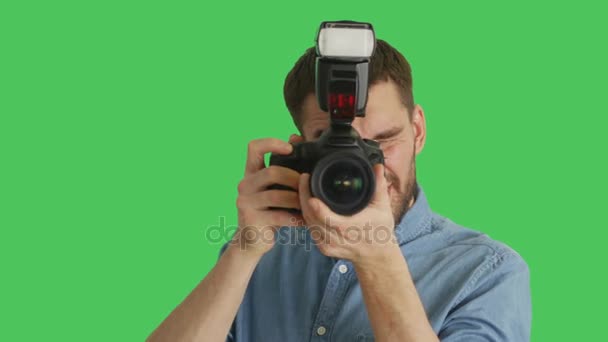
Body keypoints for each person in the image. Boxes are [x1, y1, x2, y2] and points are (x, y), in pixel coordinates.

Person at [147, 39, 531, 342]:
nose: (370, 169)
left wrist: (378, 257)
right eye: (336, 147)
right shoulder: (261, 258)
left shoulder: (486, 273)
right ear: (298, 149)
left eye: (383, 140)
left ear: (417, 130)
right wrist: (243, 253)